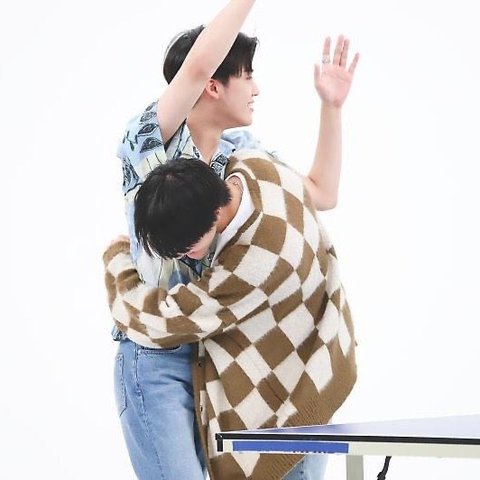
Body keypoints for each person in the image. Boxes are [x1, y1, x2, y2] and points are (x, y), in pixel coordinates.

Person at [111, 0, 359, 478]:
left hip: (224, 355)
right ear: (212, 84)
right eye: (247, 75)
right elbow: (197, 64)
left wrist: (331, 107)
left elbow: (320, 194)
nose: (256, 88)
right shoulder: (152, 141)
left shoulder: (243, 157)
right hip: (157, 355)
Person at [104, 152, 357, 480]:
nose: (187, 257)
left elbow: (159, 320)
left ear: (214, 213)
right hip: (322, 352)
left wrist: (117, 260)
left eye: (188, 250)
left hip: (299, 385)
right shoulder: (255, 164)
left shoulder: (252, 264)